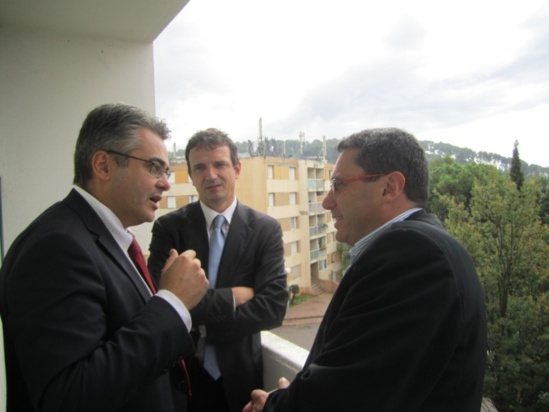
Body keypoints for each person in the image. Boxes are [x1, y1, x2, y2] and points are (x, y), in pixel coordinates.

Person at [243, 128, 487, 412]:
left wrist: (276, 406)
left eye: (338, 185)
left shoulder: (414, 256)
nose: (327, 202)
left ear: (389, 187)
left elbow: (346, 395)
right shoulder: (424, 247)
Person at [0, 103, 209, 412]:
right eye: (154, 167)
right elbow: (71, 396)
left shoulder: (101, 239)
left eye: (165, 170)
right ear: (103, 166)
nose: (166, 182)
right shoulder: (57, 246)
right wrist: (171, 303)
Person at [148, 128, 288, 412]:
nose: (210, 175)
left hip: (240, 380)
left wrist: (195, 318)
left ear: (237, 169)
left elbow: (273, 308)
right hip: (181, 374)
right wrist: (232, 297)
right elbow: (157, 300)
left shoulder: (265, 229)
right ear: (190, 175)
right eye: (200, 167)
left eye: (219, 164)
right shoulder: (169, 229)